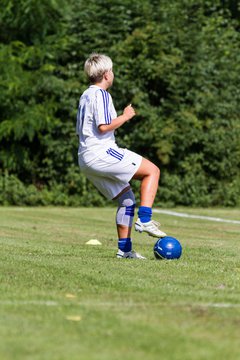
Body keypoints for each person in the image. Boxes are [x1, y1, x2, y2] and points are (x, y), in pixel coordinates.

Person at [76, 53, 167, 259]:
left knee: (126, 200)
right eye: (112, 70)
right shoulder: (101, 95)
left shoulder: (85, 94)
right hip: (100, 152)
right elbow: (103, 127)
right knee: (152, 171)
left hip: (85, 157)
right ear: (107, 74)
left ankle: (125, 250)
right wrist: (125, 116)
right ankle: (145, 219)